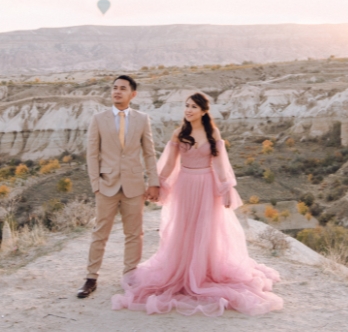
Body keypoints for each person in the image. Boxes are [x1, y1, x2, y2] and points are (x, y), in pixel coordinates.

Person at [111, 92, 283, 316]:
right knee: (184, 227)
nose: (188, 110)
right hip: (185, 185)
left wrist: (226, 189)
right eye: (186, 106)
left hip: (207, 187)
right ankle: (183, 272)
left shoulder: (212, 132)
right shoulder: (179, 133)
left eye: (193, 106)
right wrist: (157, 185)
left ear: (203, 110)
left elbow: (220, 164)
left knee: (206, 229)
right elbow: (170, 164)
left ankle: (203, 271)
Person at [77, 74, 159, 299]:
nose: (117, 92)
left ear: (133, 94)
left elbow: (149, 153)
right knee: (100, 232)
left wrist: (154, 182)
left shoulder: (142, 119)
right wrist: (96, 184)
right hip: (106, 185)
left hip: (134, 185)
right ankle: (91, 277)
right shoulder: (99, 119)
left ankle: (130, 276)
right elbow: (92, 154)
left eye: (122, 88)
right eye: (114, 88)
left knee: (134, 234)